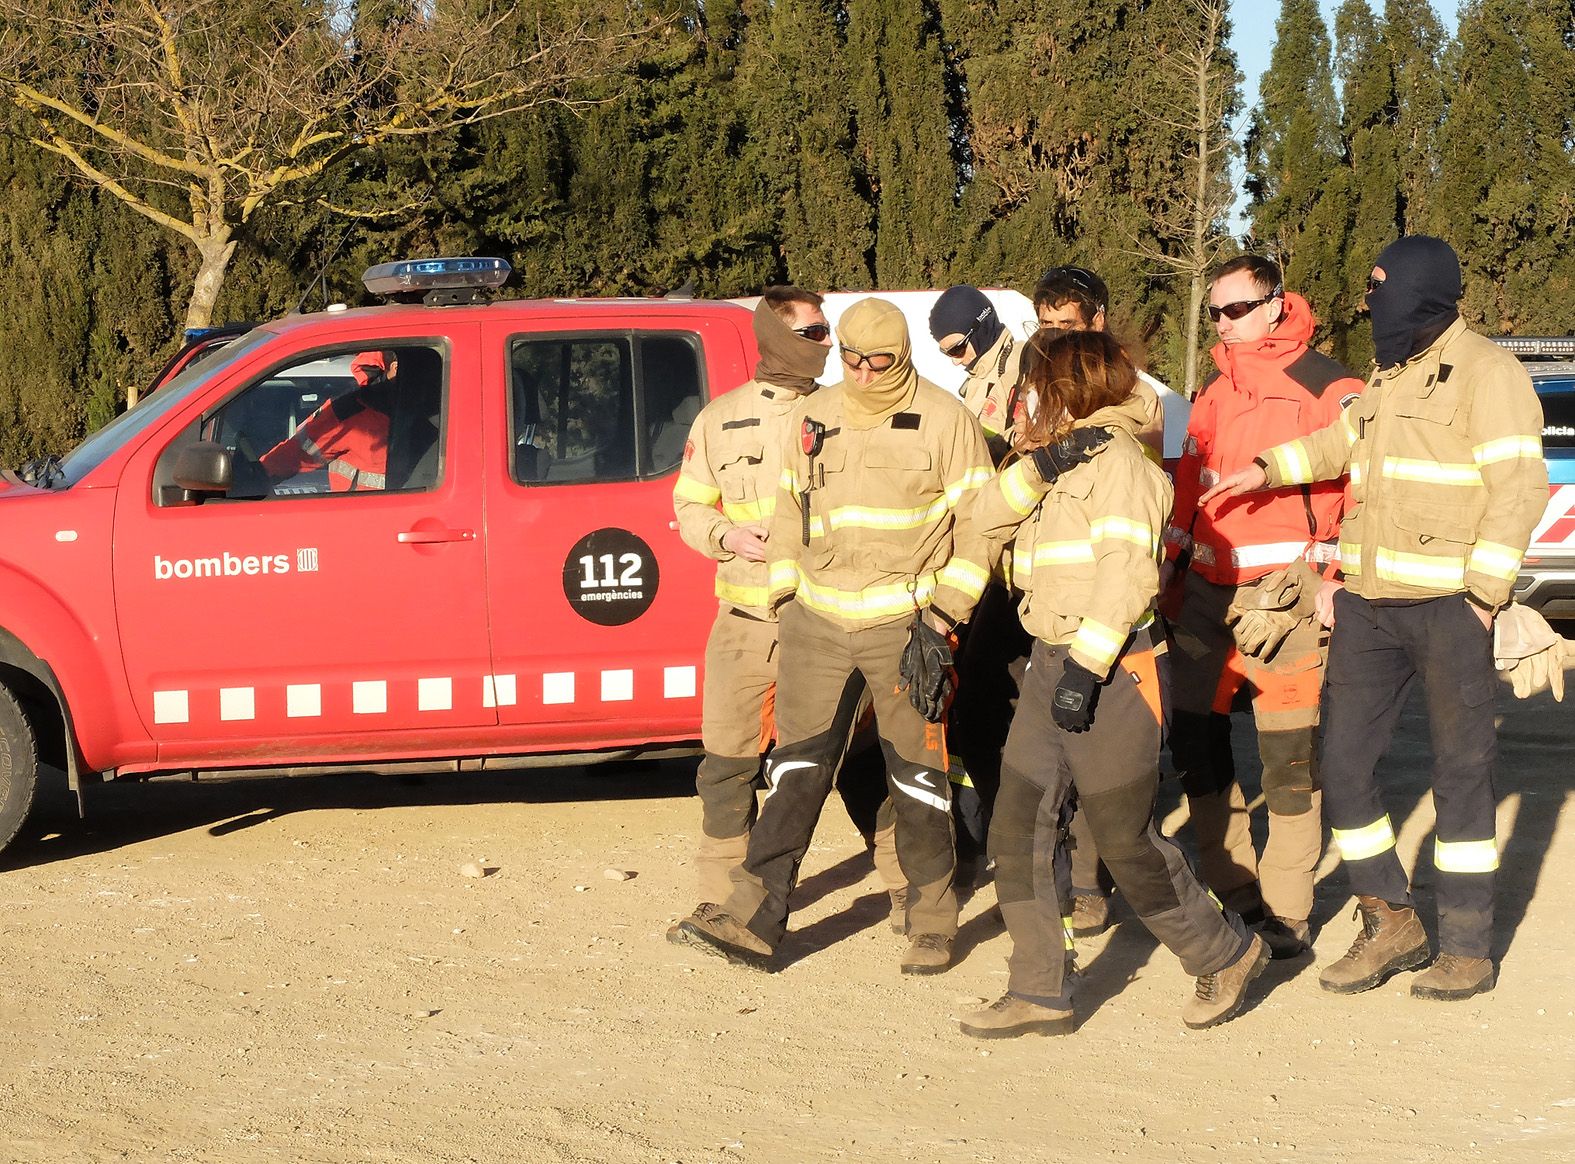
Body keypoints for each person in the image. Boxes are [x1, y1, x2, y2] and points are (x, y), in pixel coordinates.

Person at [1202, 236, 1547, 1001]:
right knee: (1345, 768)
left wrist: (1484, 598)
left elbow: (1521, 488)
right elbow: (1338, 442)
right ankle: (1388, 917)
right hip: (1368, 604)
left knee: (1460, 777)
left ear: (1424, 293)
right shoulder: (1389, 377)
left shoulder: (1488, 373)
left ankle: (1464, 944)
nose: (1373, 308)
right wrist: (1264, 468)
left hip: (1450, 609)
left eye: (1383, 292)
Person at [960, 329, 1267, 1038]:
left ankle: (1223, 952)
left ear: (1067, 385)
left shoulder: (1122, 463)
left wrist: (1085, 669)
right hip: (1050, 660)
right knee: (1019, 826)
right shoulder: (1059, 458)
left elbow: (1128, 578)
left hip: (1113, 669)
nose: (1027, 395)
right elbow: (980, 517)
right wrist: (1037, 469)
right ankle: (1039, 989)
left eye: (1037, 382)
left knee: (1122, 838)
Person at [678, 296, 994, 976]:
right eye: (850, 358)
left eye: (879, 360)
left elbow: (981, 523)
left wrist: (945, 616)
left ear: (902, 354)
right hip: (816, 625)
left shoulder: (945, 419)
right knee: (794, 774)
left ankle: (932, 922)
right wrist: (788, 594)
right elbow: (788, 506)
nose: (863, 372)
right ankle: (753, 919)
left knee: (916, 780)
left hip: (905, 628)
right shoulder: (814, 415)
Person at [669, 288, 903, 941]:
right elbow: (688, 505)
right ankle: (720, 900)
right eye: (810, 330)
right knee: (726, 766)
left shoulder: (850, 413)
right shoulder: (719, 420)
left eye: (826, 330)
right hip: (743, 620)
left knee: (859, 760)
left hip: (827, 619)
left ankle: (911, 891)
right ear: (772, 332)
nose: (824, 342)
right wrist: (725, 536)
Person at [1161, 256, 1365, 959]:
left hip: (1287, 603)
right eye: (1214, 312)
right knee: (1192, 746)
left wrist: (1338, 577)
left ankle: (1286, 914)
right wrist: (1170, 569)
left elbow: (1368, 489)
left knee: (1286, 764)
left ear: (1275, 305)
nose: (1224, 323)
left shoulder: (1329, 385)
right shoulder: (1214, 391)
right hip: (1204, 601)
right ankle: (1234, 890)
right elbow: (1189, 486)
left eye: (1237, 309)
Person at [1027, 264, 1168, 938]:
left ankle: (1089, 886)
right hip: (1040, 609)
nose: (1051, 338)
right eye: (1044, 325)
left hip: (1099, 621)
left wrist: (1089, 658)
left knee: (1099, 781)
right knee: (1039, 772)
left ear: (1097, 325)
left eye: (1066, 326)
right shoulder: (1032, 391)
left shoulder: (1130, 409)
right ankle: (1052, 886)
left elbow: (1125, 544)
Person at [924, 286, 1033, 887]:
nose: (957, 360)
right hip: (986, 558)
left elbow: (1024, 450)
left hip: (1022, 562)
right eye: (946, 353)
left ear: (985, 328)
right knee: (972, 708)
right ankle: (980, 833)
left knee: (1014, 709)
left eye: (961, 347)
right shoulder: (975, 384)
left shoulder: (1026, 371)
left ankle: (1044, 841)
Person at [261, 350, 398, 491]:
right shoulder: (352, 409)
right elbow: (298, 452)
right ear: (395, 368)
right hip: (359, 510)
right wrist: (256, 474)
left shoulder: (418, 408)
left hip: (411, 511)